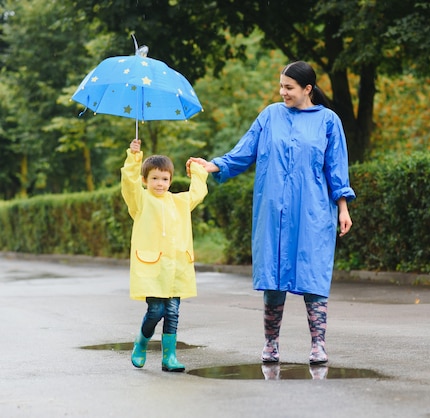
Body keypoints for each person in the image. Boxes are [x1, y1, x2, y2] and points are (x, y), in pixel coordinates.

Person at [187, 60, 356, 365]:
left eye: (289, 87)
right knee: (274, 275)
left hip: (313, 210)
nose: (282, 92)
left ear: (308, 89)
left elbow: (337, 168)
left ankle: (318, 345)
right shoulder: (270, 116)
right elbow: (244, 150)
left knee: (314, 273)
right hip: (274, 208)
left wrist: (343, 208)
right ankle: (270, 344)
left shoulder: (329, 121)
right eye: (280, 86)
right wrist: (214, 165)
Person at [121, 138, 208, 372]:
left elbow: (197, 193)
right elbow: (128, 184)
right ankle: (141, 343)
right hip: (152, 268)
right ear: (145, 180)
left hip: (177, 267)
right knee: (156, 311)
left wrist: (198, 170)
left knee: (173, 312)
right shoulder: (140, 200)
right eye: (155, 179)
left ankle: (169, 357)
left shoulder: (178, 202)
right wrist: (134, 156)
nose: (160, 184)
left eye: (165, 179)